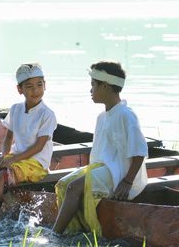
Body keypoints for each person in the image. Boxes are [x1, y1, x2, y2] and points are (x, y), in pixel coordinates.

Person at [52, 61, 148, 236]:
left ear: (105, 86)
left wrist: (127, 182)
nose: (90, 90)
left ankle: (55, 234)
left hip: (120, 174)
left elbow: (140, 151)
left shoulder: (127, 115)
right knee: (64, 184)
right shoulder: (102, 117)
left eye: (93, 85)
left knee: (74, 187)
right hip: (102, 169)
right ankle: (73, 230)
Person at [0, 63, 57, 221]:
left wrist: (13, 159)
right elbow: (9, 137)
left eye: (39, 85)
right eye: (29, 86)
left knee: (0, 177)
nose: (35, 90)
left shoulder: (47, 114)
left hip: (36, 163)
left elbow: (39, 146)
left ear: (45, 85)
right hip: (17, 157)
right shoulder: (16, 109)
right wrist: (5, 156)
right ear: (20, 89)